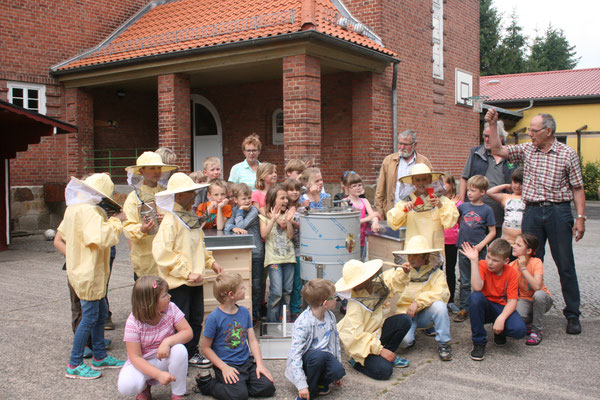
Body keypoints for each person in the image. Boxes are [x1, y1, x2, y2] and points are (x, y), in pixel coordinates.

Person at [486, 108, 585, 335]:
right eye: (529, 130)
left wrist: (580, 218)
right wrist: (493, 124)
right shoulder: (527, 150)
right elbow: (497, 149)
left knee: (565, 264)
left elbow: (577, 189)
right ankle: (526, 310)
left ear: (548, 131)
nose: (529, 133)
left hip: (559, 212)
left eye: (534, 130)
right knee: (526, 262)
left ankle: (572, 314)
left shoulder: (567, 154)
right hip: (531, 212)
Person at [58, 173, 127, 379]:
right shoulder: (89, 211)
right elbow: (100, 238)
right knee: (88, 317)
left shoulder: (74, 208)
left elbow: (63, 235)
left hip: (85, 270)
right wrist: (116, 221)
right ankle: (75, 363)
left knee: (100, 311)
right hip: (89, 272)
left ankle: (99, 355)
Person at [153, 173, 223, 369]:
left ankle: (191, 353)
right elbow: (162, 253)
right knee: (179, 322)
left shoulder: (189, 219)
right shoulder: (170, 221)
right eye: (190, 192)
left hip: (195, 281)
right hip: (179, 283)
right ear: (180, 196)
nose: (194, 195)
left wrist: (211, 262)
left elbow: (199, 246)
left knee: (195, 318)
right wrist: (186, 273)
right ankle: (178, 355)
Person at [197, 272, 276, 400]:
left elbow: (252, 341)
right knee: (239, 396)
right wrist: (223, 367)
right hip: (227, 364)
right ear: (231, 295)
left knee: (267, 387)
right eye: (242, 287)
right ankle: (207, 384)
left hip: (246, 363)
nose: (245, 289)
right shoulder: (213, 318)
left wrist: (260, 365)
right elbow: (206, 348)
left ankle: (239, 385)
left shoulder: (244, 312)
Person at [117, 276, 193, 400]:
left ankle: (178, 394)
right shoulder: (133, 322)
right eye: (164, 295)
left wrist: (167, 342)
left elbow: (188, 332)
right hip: (143, 362)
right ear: (151, 302)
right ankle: (144, 387)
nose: (169, 296)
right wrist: (158, 374)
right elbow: (135, 357)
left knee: (179, 350)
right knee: (126, 386)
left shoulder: (171, 308)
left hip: (164, 357)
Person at [336, 259, 411, 380]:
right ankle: (357, 363)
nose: (369, 281)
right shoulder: (354, 307)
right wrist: (380, 350)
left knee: (404, 320)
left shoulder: (373, 288)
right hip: (361, 348)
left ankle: (387, 354)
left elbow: (390, 283)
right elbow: (355, 338)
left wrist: (403, 273)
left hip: (376, 334)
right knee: (385, 371)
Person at [383, 235, 452, 361]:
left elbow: (441, 293)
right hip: (406, 315)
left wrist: (418, 303)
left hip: (426, 314)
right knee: (404, 343)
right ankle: (411, 337)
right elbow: (388, 284)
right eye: (410, 255)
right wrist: (402, 274)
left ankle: (444, 343)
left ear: (426, 256)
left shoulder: (437, 273)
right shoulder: (401, 271)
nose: (411, 258)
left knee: (440, 306)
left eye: (415, 255)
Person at [460, 239, 526, 361]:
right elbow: (477, 287)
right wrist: (474, 262)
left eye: (495, 260)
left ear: (506, 261)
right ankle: (479, 342)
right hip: (484, 306)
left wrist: (501, 318)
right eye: (488, 257)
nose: (490, 262)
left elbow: (512, 301)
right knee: (475, 297)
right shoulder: (482, 265)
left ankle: (499, 332)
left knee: (519, 330)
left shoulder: (511, 272)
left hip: (500, 306)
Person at [285, 279, 345, 399]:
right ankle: (309, 390)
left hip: (324, 358)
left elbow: (335, 343)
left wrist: (337, 368)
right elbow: (295, 354)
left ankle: (321, 383)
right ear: (324, 303)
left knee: (338, 371)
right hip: (309, 361)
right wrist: (301, 384)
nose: (337, 299)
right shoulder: (304, 322)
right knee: (318, 356)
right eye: (334, 297)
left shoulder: (330, 317)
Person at [459, 120, 519, 239]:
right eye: (485, 136)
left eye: (490, 137)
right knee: (475, 248)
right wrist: (462, 203)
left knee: (497, 252)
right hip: (475, 213)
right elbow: (464, 178)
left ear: (500, 138)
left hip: (501, 214)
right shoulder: (476, 154)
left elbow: (517, 182)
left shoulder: (512, 157)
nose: (486, 139)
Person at [123, 152, 177, 279]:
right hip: (145, 257)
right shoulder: (133, 198)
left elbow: (179, 217)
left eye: (159, 168)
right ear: (141, 171)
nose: (157, 171)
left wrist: (168, 219)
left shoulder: (167, 194)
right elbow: (127, 226)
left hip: (167, 257)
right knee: (147, 297)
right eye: (152, 168)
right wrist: (141, 229)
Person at [386, 164, 458, 252]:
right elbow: (393, 222)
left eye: (424, 179)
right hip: (414, 253)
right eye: (418, 180)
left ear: (430, 180)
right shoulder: (406, 202)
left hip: (434, 251)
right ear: (413, 181)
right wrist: (404, 209)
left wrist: (440, 206)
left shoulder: (441, 200)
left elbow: (449, 223)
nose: (421, 183)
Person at [454, 175, 496, 323]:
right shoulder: (463, 206)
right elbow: (452, 217)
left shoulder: (487, 210)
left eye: (473, 190)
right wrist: (450, 206)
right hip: (464, 250)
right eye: (468, 190)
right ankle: (464, 308)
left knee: (481, 279)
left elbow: (492, 232)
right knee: (465, 280)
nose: (469, 193)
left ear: (483, 192)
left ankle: (480, 307)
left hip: (479, 251)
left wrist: (480, 246)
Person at [225, 183, 264, 323]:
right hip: (242, 253)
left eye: (249, 197)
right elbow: (227, 226)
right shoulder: (235, 210)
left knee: (256, 286)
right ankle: (243, 315)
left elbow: (242, 225)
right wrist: (233, 228)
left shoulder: (253, 211)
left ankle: (255, 315)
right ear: (235, 199)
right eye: (244, 198)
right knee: (243, 285)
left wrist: (240, 214)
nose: (247, 201)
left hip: (256, 252)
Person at [259, 185, 297, 322]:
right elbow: (264, 234)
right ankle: (272, 323)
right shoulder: (264, 217)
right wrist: (274, 219)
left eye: (286, 198)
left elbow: (291, 236)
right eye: (282, 198)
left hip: (289, 259)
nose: (286, 201)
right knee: (276, 293)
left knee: (287, 292)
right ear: (273, 199)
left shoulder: (287, 215)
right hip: (274, 260)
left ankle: (284, 323)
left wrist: (288, 221)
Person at [375, 129, 433, 216]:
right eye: (400, 143)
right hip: (394, 212)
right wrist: (379, 211)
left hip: (417, 213)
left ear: (414, 144)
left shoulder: (424, 162)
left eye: (406, 144)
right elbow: (380, 190)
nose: (401, 147)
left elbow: (431, 187)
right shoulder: (388, 161)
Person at [510, 233, 553, 345]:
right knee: (517, 319)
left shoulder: (536, 262)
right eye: (514, 243)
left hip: (542, 300)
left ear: (529, 251)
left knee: (539, 294)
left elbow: (537, 287)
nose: (514, 246)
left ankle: (537, 330)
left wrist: (523, 267)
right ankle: (529, 322)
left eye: (518, 245)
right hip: (524, 300)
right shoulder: (511, 265)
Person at [342, 172, 381, 260]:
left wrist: (375, 222)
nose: (358, 188)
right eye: (354, 186)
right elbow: (350, 222)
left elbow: (373, 214)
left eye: (359, 185)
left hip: (362, 239)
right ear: (348, 188)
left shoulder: (364, 201)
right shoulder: (345, 202)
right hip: (350, 240)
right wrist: (368, 218)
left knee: (362, 261)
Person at [486, 167, 525, 249]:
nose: (517, 186)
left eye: (521, 183)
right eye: (515, 182)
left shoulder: (527, 198)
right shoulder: (506, 197)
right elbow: (489, 192)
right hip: (506, 240)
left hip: (521, 241)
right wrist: (505, 186)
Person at [282, 178, 303, 320]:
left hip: (299, 251)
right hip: (283, 251)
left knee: (297, 284)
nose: (294, 192)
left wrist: (293, 222)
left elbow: (305, 226)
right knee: (284, 285)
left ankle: (295, 309)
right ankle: (284, 311)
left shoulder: (302, 208)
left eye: (297, 189)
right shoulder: (283, 208)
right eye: (291, 190)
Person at [442, 174, 462, 313]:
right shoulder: (438, 201)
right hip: (438, 240)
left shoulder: (458, 203)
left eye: (445, 183)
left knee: (450, 270)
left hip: (451, 240)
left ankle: (450, 300)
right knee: (437, 270)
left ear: (452, 185)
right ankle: (439, 298)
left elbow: (459, 222)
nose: (442, 186)